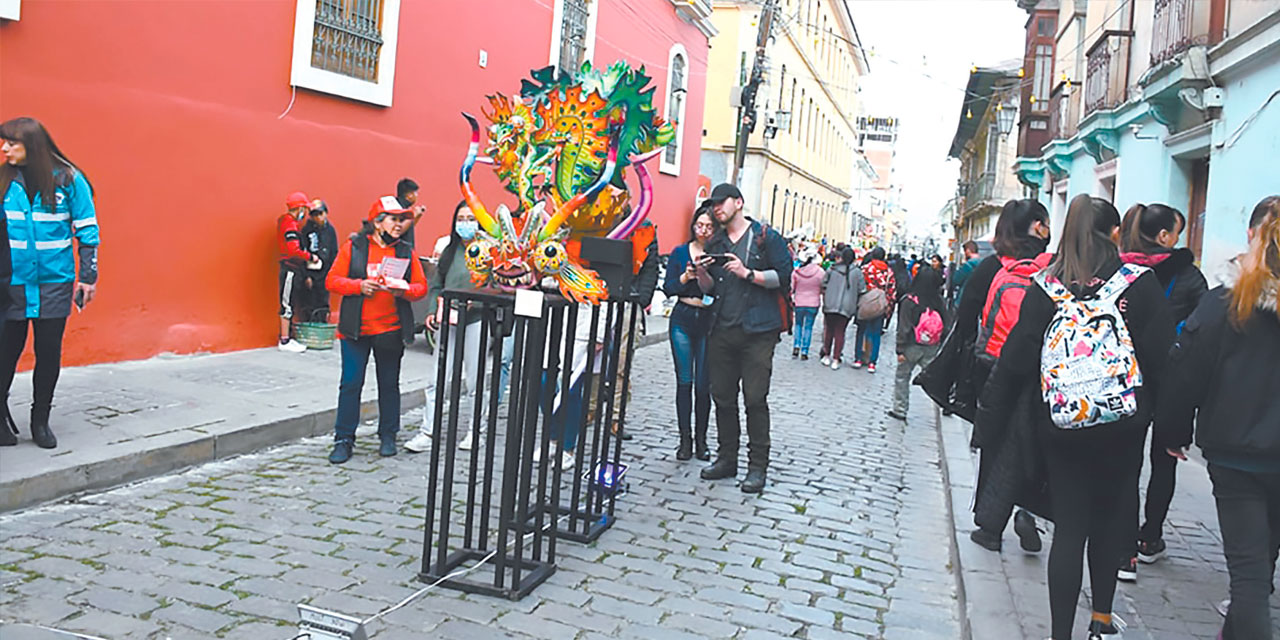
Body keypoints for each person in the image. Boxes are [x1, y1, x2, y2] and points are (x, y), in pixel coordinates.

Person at [982, 195, 1173, 640]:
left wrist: (992, 418)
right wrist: (1161, 420)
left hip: (1062, 423)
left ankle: (1059, 634)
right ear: (1112, 234)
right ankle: (1102, 620)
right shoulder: (1138, 284)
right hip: (1122, 426)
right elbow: (1164, 358)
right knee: (1108, 520)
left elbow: (1016, 358)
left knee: (1070, 527)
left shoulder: (1047, 285)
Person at [1157, 195, 1280, 640]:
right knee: (1259, 566)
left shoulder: (1225, 302)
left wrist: (1173, 432)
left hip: (1238, 453)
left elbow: (1185, 369)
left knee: (1249, 578)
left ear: (1253, 236)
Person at [920, 199, 1052, 553]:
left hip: (992, 366)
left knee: (993, 441)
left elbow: (964, 320)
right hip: (1040, 369)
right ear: (1038, 227)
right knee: (1032, 440)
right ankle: (1027, 510)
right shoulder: (1053, 268)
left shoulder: (990, 267)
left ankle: (989, 522)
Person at [1116, 202, 1207, 582]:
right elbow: (1202, 328)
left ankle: (1122, 549)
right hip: (1172, 382)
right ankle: (1149, 537)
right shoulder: (1188, 276)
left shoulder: (1122, 270)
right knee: (1165, 460)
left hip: (1127, 378)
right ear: (1166, 237)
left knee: (1125, 462)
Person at [0, 117, 101, 450]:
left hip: (54, 284)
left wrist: (88, 277)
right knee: (5, 353)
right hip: (10, 284)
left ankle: (39, 420)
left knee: (47, 354)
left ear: (32, 144)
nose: (4, 149)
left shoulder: (69, 179)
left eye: (11, 143)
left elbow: (87, 230)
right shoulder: (3, 180)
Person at [694, 183, 793, 494]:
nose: (717, 208)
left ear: (739, 202)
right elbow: (709, 289)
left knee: (754, 399)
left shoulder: (766, 238)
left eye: (722, 202)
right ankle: (727, 458)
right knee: (722, 397)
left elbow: (784, 278)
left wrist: (748, 273)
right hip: (722, 328)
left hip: (758, 331)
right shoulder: (716, 241)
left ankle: (757, 466)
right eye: (714, 204)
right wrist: (700, 274)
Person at [325, 196, 428, 463]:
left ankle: (388, 435)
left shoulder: (405, 251)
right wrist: (358, 286)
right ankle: (344, 439)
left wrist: (402, 290)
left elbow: (420, 288)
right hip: (355, 330)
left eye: (402, 219)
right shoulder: (354, 246)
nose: (400, 224)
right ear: (377, 221)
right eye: (394, 219)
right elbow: (332, 280)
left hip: (390, 330)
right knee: (350, 384)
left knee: (389, 385)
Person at [404, 201, 491, 454]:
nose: (465, 223)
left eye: (470, 218)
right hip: (447, 321)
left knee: (475, 382)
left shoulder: (490, 252)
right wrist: (432, 310)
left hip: (476, 321)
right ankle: (428, 431)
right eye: (461, 218)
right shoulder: (449, 251)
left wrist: (478, 301)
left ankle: (476, 431)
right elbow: (436, 284)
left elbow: (497, 286)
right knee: (437, 378)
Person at [663, 203, 717, 461]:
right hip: (683, 318)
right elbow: (669, 288)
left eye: (708, 226)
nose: (703, 230)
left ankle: (702, 442)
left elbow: (719, 291)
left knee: (703, 385)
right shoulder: (679, 252)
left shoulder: (718, 254)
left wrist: (706, 275)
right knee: (684, 382)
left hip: (708, 319)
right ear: (693, 226)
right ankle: (685, 440)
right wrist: (686, 277)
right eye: (700, 225)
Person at [889, 266, 945, 421]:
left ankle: (900, 409)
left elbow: (904, 327)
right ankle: (944, 404)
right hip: (932, 346)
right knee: (935, 378)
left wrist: (900, 349)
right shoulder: (938, 301)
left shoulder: (909, 300)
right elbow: (947, 323)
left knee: (902, 377)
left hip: (911, 346)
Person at [277, 190, 318, 353]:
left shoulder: (286, 222)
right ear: (299, 209)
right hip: (290, 268)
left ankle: (288, 337)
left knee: (291, 302)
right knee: (287, 304)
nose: (306, 214)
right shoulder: (290, 224)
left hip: (292, 269)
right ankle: (284, 340)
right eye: (305, 210)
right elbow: (293, 249)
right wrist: (310, 257)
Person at [819, 246, 864, 369]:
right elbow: (862, 289)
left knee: (829, 330)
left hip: (830, 303)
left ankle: (827, 355)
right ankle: (836, 358)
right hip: (847, 306)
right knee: (840, 332)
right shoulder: (857, 272)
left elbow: (823, 284)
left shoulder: (832, 269)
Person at [852, 246, 895, 373]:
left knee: (861, 331)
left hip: (865, 304)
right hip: (880, 305)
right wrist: (889, 307)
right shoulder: (889, 272)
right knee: (876, 334)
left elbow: (858, 287)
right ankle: (872, 362)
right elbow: (892, 291)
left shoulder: (865, 269)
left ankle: (858, 358)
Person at [300, 199, 340, 323]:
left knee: (323, 301)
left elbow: (334, 252)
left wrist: (332, 273)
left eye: (320, 214)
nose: (317, 217)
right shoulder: (307, 230)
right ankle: (311, 328)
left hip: (325, 272)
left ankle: (322, 326)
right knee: (310, 302)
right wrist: (306, 275)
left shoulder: (330, 231)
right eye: (314, 215)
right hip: (311, 272)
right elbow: (302, 252)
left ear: (325, 213)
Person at [790, 247, 824, 360]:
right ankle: (805, 351)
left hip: (799, 301)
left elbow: (792, 288)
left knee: (798, 325)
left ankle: (796, 345)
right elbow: (822, 287)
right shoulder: (820, 272)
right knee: (808, 327)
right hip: (813, 303)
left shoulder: (797, 272)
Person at [395, 177, 424, 250]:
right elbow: (398, 230)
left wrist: (416, 217)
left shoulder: (403, 207)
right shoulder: (398, 210)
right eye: (415, 193)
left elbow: (407, 228)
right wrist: (413, 216)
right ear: (409, 195)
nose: (417, 196)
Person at [950, 241, 982, 307]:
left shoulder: (968, 265)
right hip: (978, 301)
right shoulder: (984, 264)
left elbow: (956, 280)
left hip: (963, 300)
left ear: (967, 251)